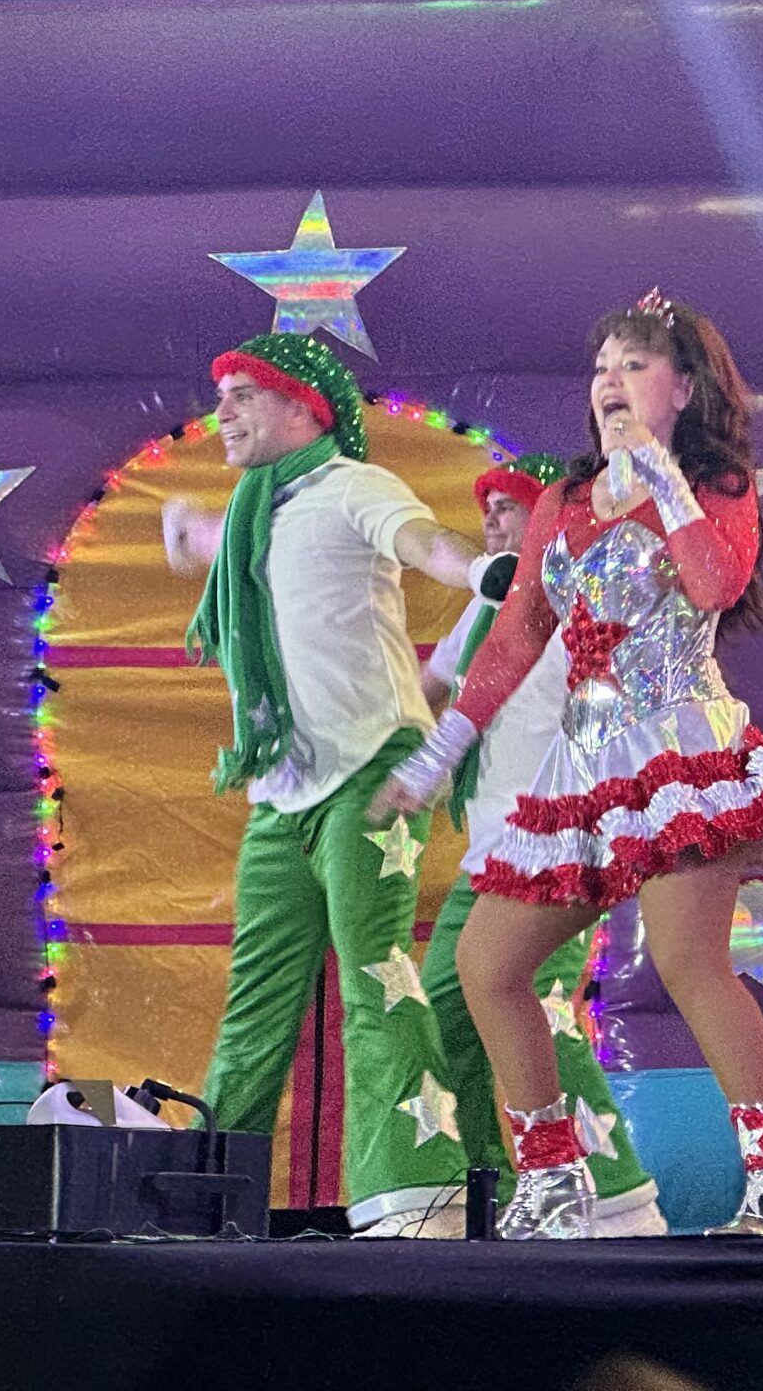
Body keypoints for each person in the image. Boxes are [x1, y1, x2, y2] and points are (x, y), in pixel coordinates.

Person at [373, 291, 763, 1240]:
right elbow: (514, 637)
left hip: (679, 751)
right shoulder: (564, 503)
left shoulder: (717, 487)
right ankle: (553, 1180)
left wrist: (660, 476)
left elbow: (715, 583)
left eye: (633, 364)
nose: (609, 383)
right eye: (600, 368)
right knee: (485, 964)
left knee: (688, 961)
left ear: (684, 388)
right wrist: (438, 754)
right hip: (581, 765)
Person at [163, 329, 496, 1237]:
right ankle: (206, 1210)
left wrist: (482, 570)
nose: (223, 412)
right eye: (220, 395)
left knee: (377, 977)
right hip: (282, 792)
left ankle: (416, 1199)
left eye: (243, 395)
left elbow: (424, 542)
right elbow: (214, 540)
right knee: (255, 1005)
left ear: (305, 408)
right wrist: (193, 531)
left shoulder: (355, 485)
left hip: (371, 770)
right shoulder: (252, 514)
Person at [417, 451, 667, 1236]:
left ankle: (616, 1199)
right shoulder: (486, 607)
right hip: (486, 851)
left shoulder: (582, 596)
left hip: (556, 841)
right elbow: (430, 691)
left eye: (510, 505)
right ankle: (493, 1187)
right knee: (447, 1004)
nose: (490, 519)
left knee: (543, 1013)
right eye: (486, 507)